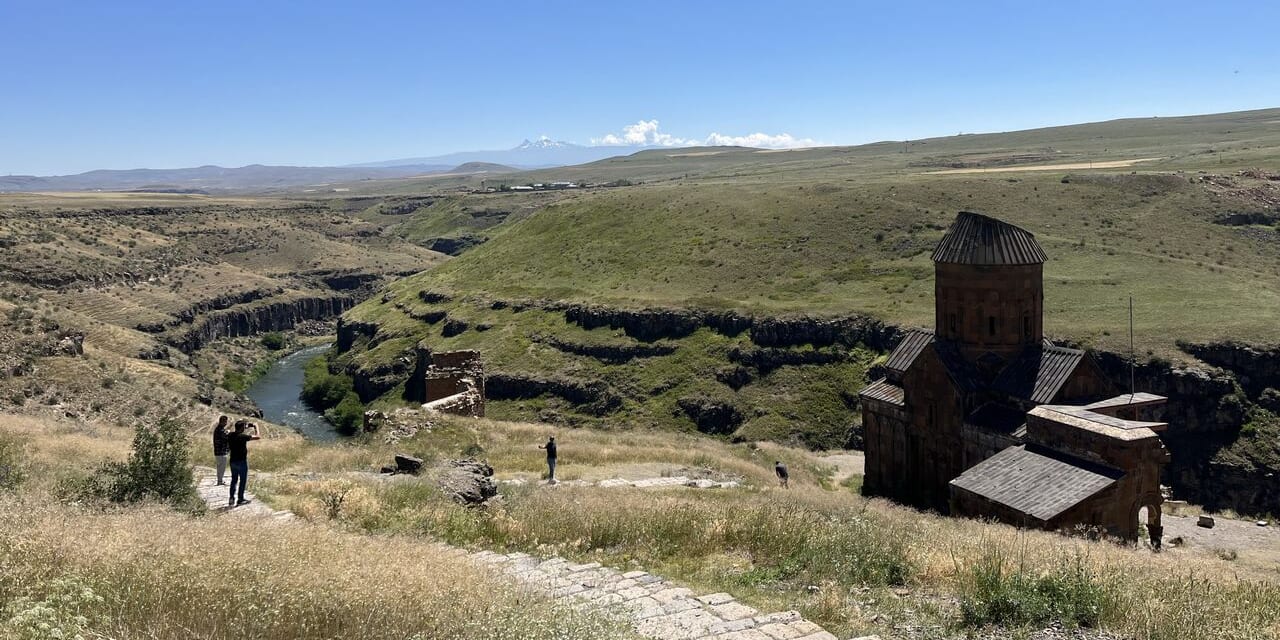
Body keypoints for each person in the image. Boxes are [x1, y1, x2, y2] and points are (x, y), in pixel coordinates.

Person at [227, 420, 261, 507]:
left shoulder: (230, 435)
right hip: (241, 461)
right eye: (244, 427)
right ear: (242, 428)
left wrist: (245, 426)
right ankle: (240, 499)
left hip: (233, 461)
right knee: (242, 480)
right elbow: (258, 437)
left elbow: (232, 430)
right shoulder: (243, 437)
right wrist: (256, 426)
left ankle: (231, 498)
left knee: (234, 480)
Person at [212, 416, 230, 485]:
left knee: (219, 467)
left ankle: (220, 480)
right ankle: (220, 481)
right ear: (223, 421)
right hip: (221, 452)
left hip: (218, 452)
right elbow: (226, 437)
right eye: (225, 421)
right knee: (221, 468)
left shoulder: (218, 429)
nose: (226, 423)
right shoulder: (221, 430)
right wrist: (228, 432)